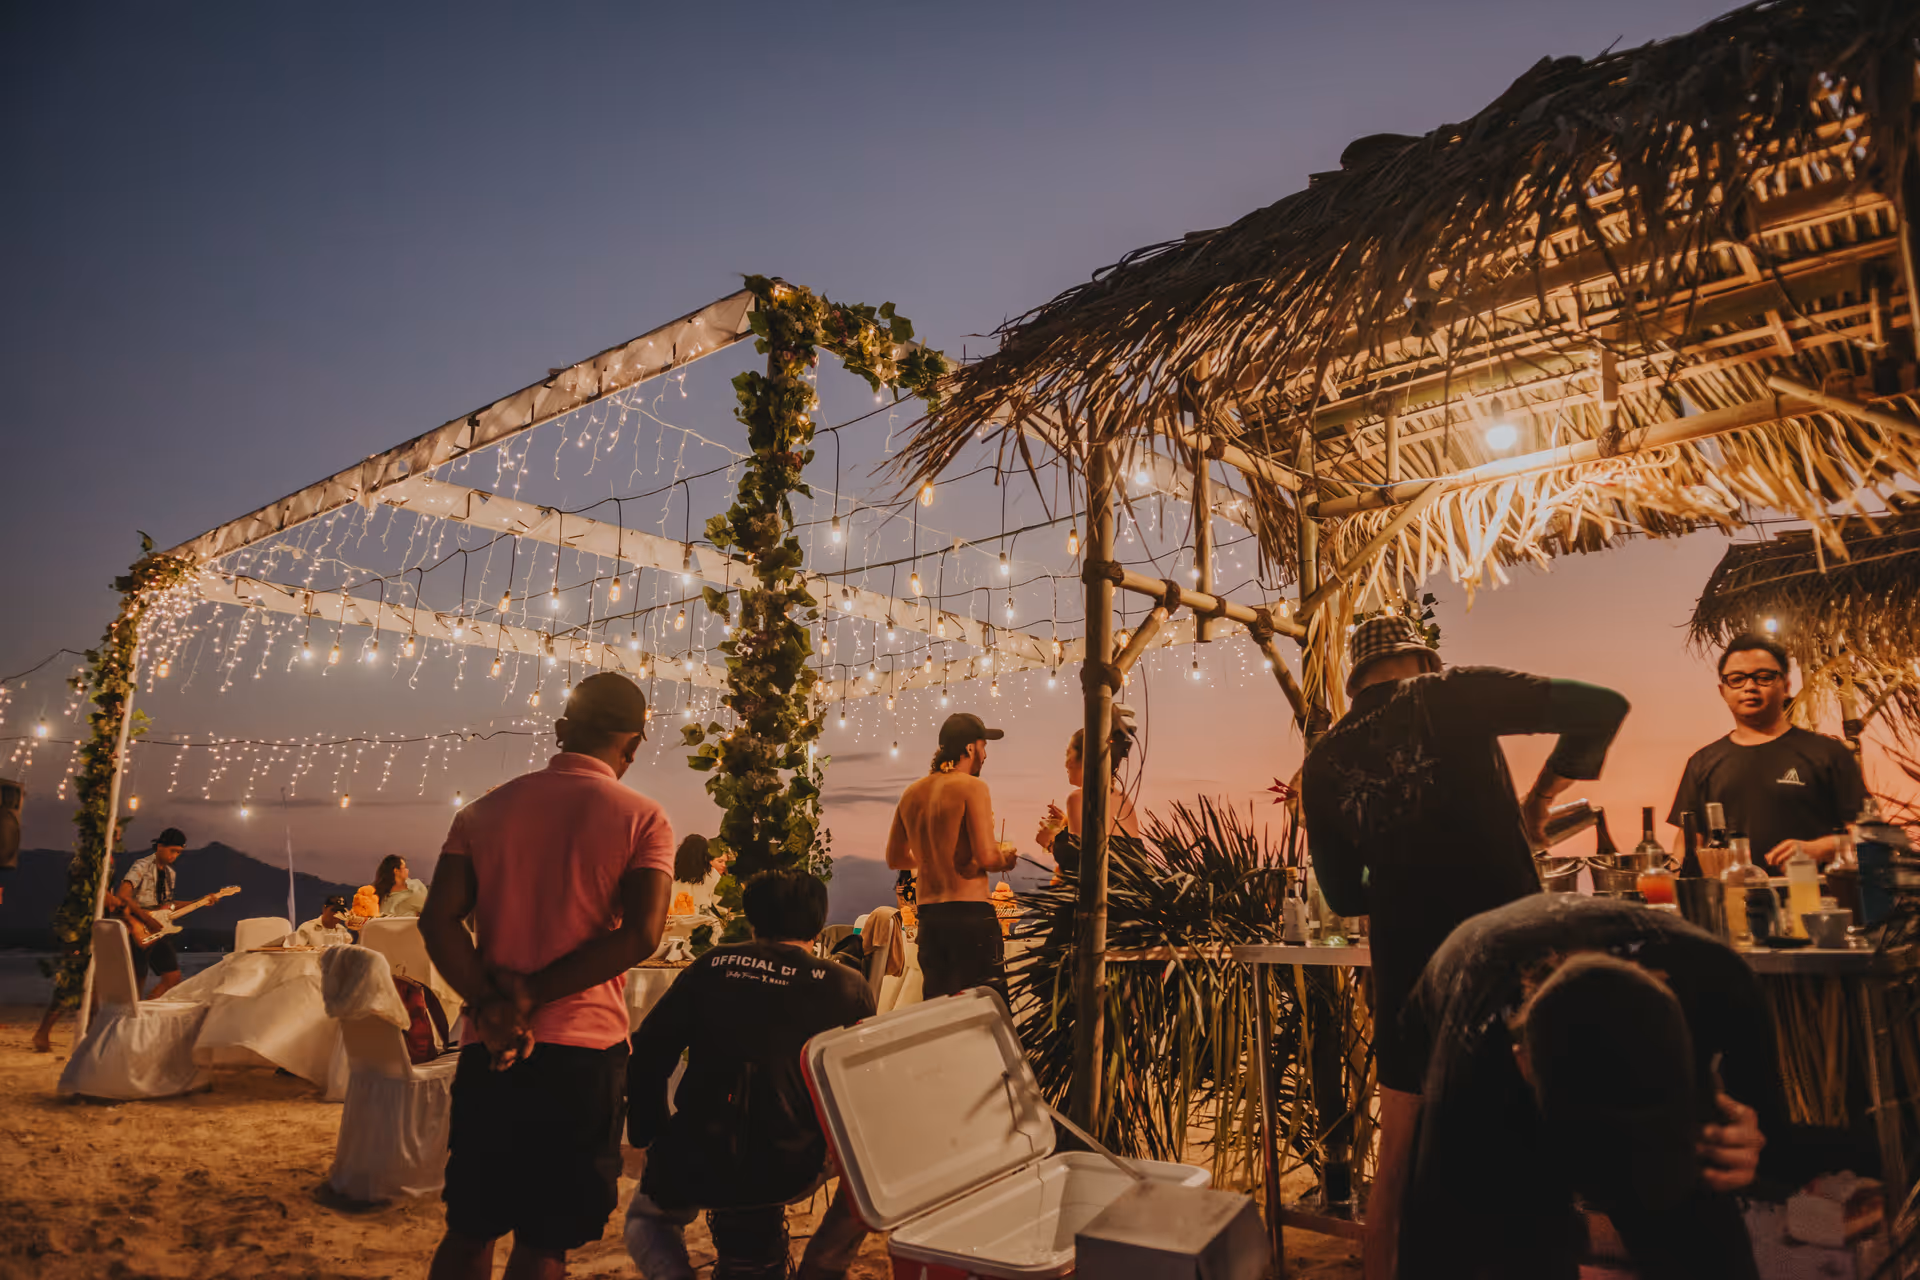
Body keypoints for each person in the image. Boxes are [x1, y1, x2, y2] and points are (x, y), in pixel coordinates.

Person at [1299, 615, 1629, 1280]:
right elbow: (1602, 707)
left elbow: (1341, 896)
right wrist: (1538, 801)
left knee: (1397, 1161)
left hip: (1408, 977)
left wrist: (1397, 868)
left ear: (1354, 679)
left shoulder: (1323, 762)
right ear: (1423, 661)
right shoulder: (1454, 692)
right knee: (1533, 1144)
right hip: (1511, 965)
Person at [1389, 893, 1827, 1279]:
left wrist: (1749, 1146)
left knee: (1700, 1234)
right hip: (1470, 981)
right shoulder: (1475, 1065)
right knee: (1524, 1248)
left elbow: (1773, 1151)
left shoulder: (1723, 987)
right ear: (1522, 1064)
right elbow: (1434, 1252)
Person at [419, 673, 676, 1280]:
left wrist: (492, 1004)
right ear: (634, 744)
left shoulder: (483, 810)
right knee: (545, 1243)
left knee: (470, 1227)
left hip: (491, 1046)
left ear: (561, 731)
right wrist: (533, 995)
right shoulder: (645, 818)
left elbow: (438, 921)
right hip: (583, 1054)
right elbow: (642, 934)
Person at [625, 869, 876, 1280]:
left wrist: (652, 1137)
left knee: (645, 1220)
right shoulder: (845, 985)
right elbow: (865, 1090)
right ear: (818, 921)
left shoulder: (711, 965)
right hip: (795, 1160)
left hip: (700, 1151)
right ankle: (821, 1267)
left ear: (753, 919)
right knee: (871, 1180)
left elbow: (649, 1049)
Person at [1670, 633, 1868, 867]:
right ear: (1723, 691)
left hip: (1818, 899)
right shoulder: (1702, 763)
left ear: (1785, 686)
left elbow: (1871, 838)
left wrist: (1820, 848)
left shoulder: (1828, 753)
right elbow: (1686, 846)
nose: (1750, 686)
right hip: (1732, 900)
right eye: (1737, 679)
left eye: (1764, 677)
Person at [885, 713, 1018, 1001]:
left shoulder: (911, 793)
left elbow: (895, 857)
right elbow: (986, 856)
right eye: (984, 747)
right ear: (970, 748)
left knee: (941, 1016)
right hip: (970, 918)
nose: (985, 755)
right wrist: (1005, 858)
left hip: (931, 920)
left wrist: (932, 859)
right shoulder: (973, 787)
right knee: (986, 1013)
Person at [1034, 728, 1141, 877]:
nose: (1066, 764)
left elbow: (1081, 862)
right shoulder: (1124, 799)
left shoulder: (1078, 797)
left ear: (1086, 758)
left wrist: (1051, 842)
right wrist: (1066, 823)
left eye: (1069, 754)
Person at [116, 827, 192, 999]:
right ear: (159, 846)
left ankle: (145, 1011)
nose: (174, 856)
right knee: (137, 978)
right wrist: (146, 918)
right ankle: (131, 1016)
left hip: (158, 928)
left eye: (178, 852)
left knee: (172, 978)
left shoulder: (170, 874)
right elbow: (123, 894)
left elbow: (168, 905)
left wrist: (200, 901)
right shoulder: (141, 866)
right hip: (139, 926)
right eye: (172, 850)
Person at [288, 895, 355, 947]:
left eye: (341, 912)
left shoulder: (342, 930)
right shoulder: (307, 928)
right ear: (324, 909)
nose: (336, 915)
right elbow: (297, 950)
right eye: (333, 910)